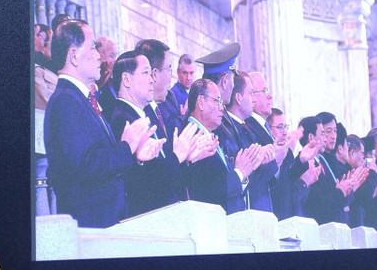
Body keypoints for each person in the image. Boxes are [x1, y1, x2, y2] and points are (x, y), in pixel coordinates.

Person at [42, 20, 164, 228]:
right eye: (91, 47)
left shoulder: (79, 98)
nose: (98, 55)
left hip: (103, 218)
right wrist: (126, 147)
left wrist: (134, 156)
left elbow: (97, 159)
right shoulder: (66, 101)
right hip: (92, 222)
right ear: (73, 56)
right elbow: (86, 165)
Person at [108, 51, 211, 216]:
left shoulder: (143, 115)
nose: (152, 79)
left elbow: (164, 174)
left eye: (151, 73)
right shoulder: (124, 120)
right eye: (145, 73)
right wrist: (177, 157)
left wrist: (186, 159)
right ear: (126, 79)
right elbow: (146, 185)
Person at [182, 79, 261, 214]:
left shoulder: (206, 135)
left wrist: (243, 173)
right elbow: (208, 191)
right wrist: (239, 173)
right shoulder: (193, 137)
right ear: (201, 102)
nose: (221, 107)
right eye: (217, 100)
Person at [219, 71, 277, 212]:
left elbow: (267, 171)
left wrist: (266, 159)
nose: (254, 100)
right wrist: (258, 161)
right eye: (251, 93)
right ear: (238, 98)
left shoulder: (247, 127)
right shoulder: (226, 129)